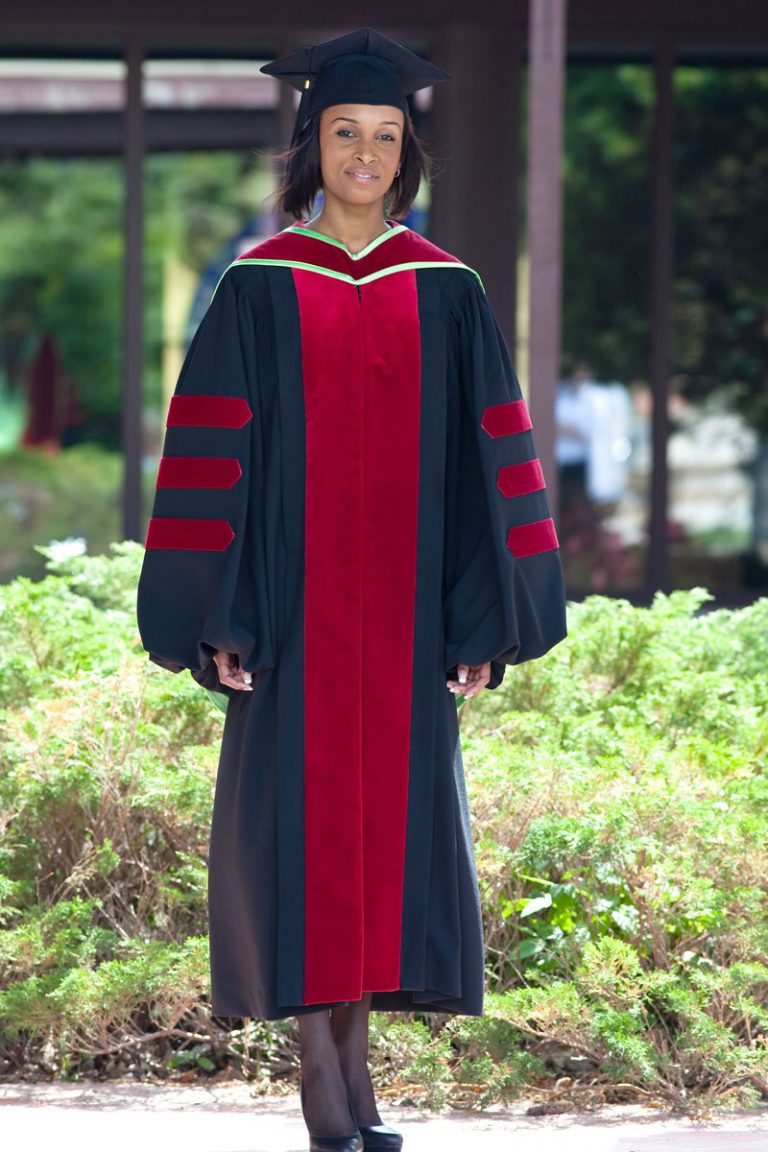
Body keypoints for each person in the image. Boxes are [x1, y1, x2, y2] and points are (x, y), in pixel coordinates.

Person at [137, 27, 566, 1152]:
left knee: (384, 856)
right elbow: (210, 461)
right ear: (311, 144)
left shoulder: (450, 292)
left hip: (408, 633)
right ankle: (328, 1106)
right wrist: (218, 615)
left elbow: (492, 470)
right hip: (292, 625)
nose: (365, 156)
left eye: (384, 136)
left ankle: (357, 1096)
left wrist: (482, 624)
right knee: (303, 849)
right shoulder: (257, 288)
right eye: (345, 134)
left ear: (405, 152)